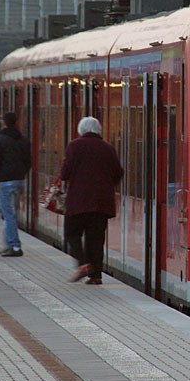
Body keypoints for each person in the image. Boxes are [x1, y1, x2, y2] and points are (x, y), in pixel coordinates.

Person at [60, 116, 123, 284]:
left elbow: (64, 174)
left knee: (72, 233)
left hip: (78, 200)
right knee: (95, 238)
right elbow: (118, 174)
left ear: (81, 130)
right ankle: (96, 276)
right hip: (102, 202)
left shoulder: (74, 146)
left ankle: (83, 264)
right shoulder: (108, 148)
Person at [0, 111, 32, 258]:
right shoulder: (24, 140)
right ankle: (8, 244)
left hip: (5, 181)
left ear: (4, 122)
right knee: (13, 213)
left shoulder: (0, 140)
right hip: (19, 180)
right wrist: (22, 174)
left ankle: (14, 246)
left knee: (8, 214)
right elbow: (29, 161)